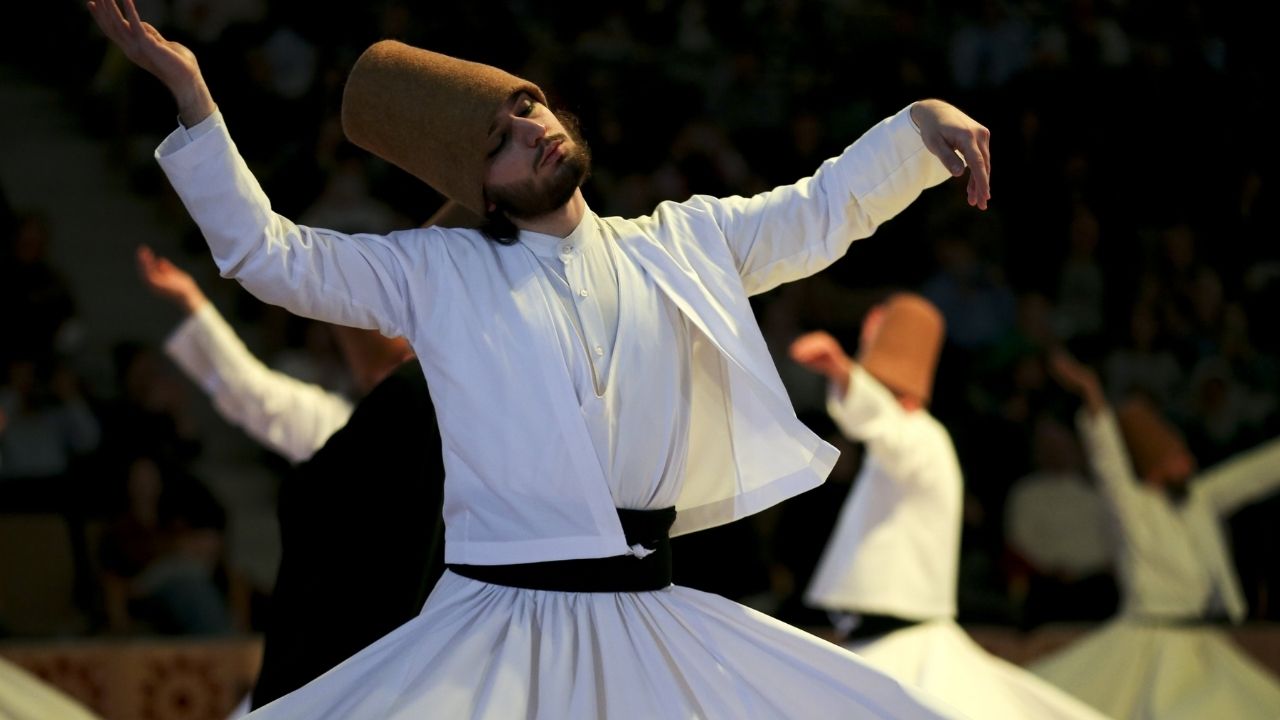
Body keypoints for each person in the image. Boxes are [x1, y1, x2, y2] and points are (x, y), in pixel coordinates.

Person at [89, 0, 991, 716]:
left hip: (650, 614)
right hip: (493, 625)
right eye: (501, 138)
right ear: (480, 189)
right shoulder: (437, 270)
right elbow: (271, 256)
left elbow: (822, 206)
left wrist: (915, 130)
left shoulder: (683, 241)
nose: (533, 128)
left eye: (528, 105)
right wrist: (197, 101)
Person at [136, 244, 448, 709]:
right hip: (354, 644)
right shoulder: (345, 426)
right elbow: (254, 394)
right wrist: (192, 304)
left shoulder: (462, 418)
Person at [790, 294, 1107, 720]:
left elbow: (885, 428)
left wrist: (848, 376)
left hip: (908, 645)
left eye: (879, 386)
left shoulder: (920, 438)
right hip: (882, 643)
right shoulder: (902, 444)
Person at [1035, 352, 1280, 719]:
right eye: (1178, 456)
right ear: (1156, 467)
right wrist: (1092, 394)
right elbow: (1108, 460)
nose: (1189, 462)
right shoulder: (1133, 505)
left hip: (1199, 640)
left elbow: (1254, 474)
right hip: (1146, 640)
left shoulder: (1198, 498)